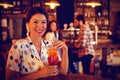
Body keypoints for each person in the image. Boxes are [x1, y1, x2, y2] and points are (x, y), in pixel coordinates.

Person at [5, 7, 68, 80]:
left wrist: (65, 50)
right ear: (27, 25)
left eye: (43, 22)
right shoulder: (19, 46)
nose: (40, 26)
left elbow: (63, 71)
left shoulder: (49, 45)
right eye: (35, 22)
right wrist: (39, 74)